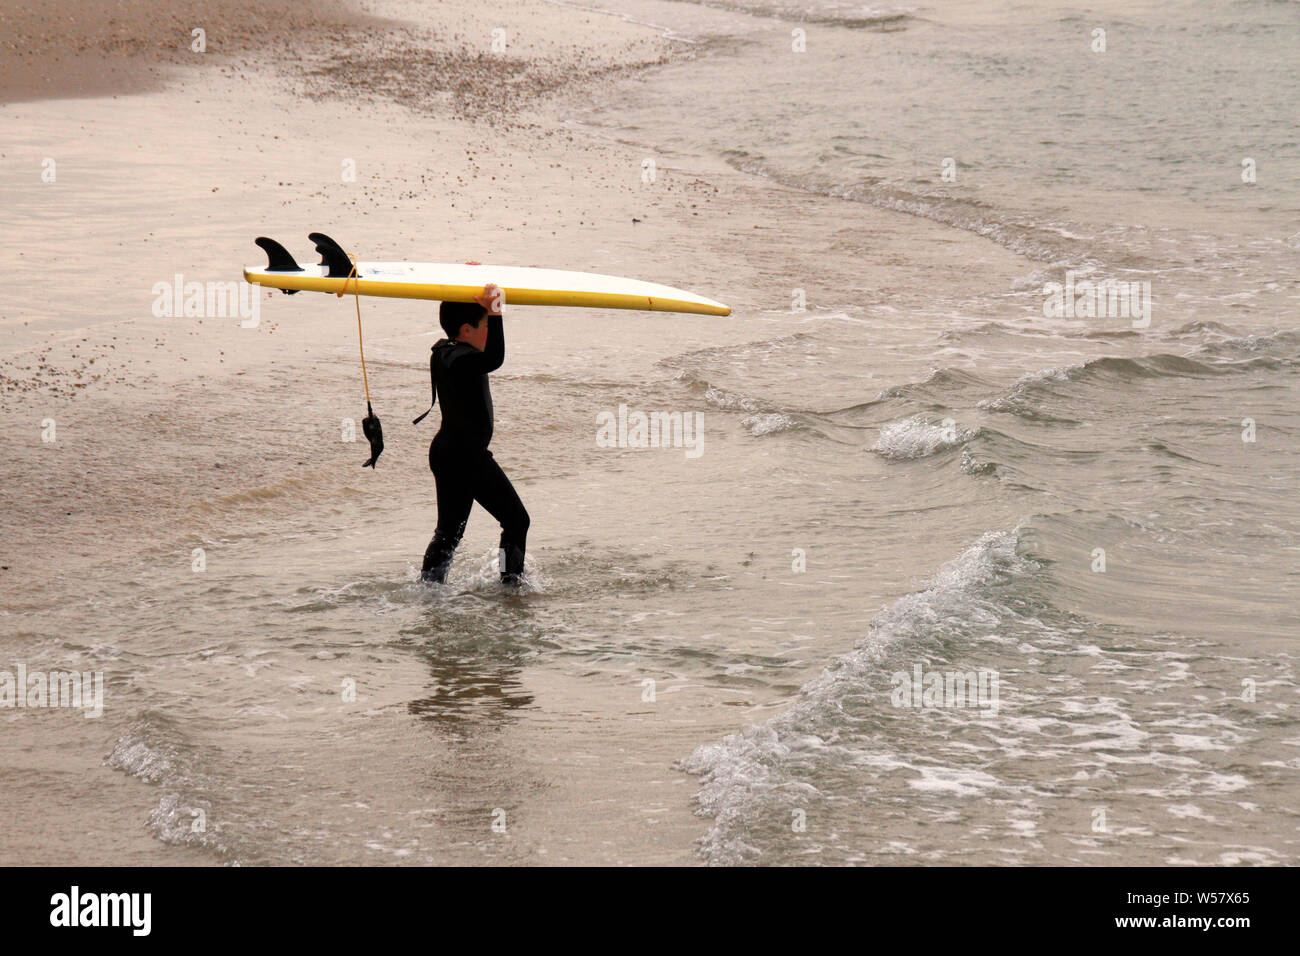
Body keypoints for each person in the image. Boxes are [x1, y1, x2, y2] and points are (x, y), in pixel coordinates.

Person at [418, 283, 530, 586]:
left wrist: (471, 277)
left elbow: (487, 355)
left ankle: (429, 587)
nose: (488, 332)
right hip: (465, 456)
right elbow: (495, 357)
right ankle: (511, 582)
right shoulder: (461, 360)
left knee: (449, 531)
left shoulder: (445, 353)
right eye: (484, 326)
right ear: (466, 330)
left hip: (448, 452)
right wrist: (497, 313)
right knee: (517, 521)